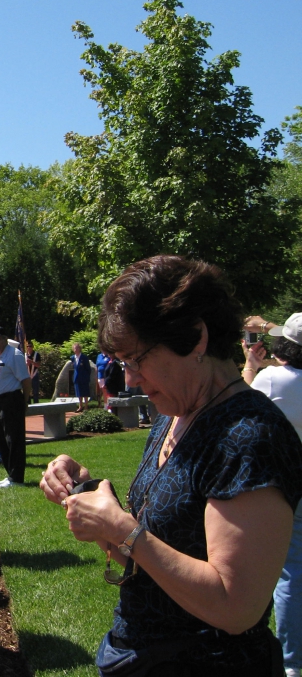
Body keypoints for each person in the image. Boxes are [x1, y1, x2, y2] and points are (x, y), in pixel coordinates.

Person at [40, 255, 302, 676]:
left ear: (195, 338)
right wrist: (88, 495)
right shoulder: (173, 415)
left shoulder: (250, 437)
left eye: (135, 358)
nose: (130, 379)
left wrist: (122, 530)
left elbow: (236, 607)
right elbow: (154, 554)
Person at [243, 312, 302, 676]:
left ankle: (293, 663)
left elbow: (242, 407)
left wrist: (250, 366)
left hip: (288, 485)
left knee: (291, 571)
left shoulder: (273, 379)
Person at [0, 326, 31, 488]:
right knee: (2, 439)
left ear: (5, 339)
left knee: (13, 439)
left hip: (11, 400)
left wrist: (24, 402)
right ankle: (11, 474)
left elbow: (25, 380)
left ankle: (17, 477)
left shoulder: (14, 355)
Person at [71, 342, 92, 412]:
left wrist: (86, 376)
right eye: (74, 348)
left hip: (84, 377)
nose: (76, 349)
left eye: (77, 348)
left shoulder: (84, 357)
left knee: (85, 392)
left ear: (80, 349)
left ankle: (86, 406)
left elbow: (88, 368)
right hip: (76, 377)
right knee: (78, 392)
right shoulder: (73, 358)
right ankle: (80, 406)